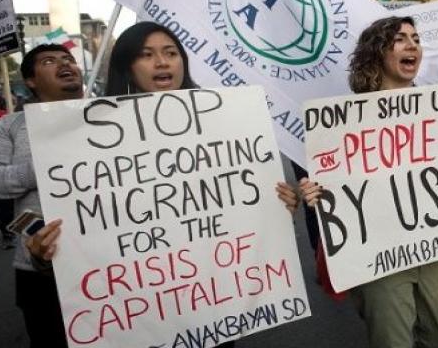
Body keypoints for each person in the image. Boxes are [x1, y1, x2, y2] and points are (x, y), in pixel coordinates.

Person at [20, 23, 300, 348]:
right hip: (139, 320)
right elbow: (82, 240)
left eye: (171, 53)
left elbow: (244, 210)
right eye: (147, 55)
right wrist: (44, 254)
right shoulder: (89, 140)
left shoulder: (226, 124)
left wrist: (279, 205)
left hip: (214, 306)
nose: (163, 62)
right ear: (127, 66)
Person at [301, 16, 438, 348]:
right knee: (392, 341)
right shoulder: (343, 119)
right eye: (400, 39)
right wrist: (316, 191)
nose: (412, 44)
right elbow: (332, 180)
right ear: (376, 53)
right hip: (381, 255)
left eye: (415, 38)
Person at [0, 44, 85, 348]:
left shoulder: (110, 115)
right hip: (39, 269)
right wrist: (47, 167)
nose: (64, 65)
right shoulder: (8, 126)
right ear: (30, 81)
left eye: (69, 59)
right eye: (49, 61)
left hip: (103, 262)